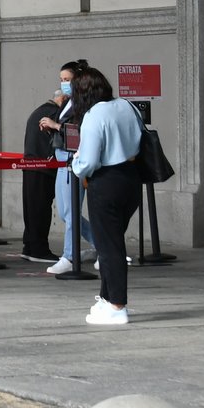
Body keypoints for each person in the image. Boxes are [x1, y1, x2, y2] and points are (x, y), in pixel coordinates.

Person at [69, 67, 145, 326]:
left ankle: (117, 305)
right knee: (111, 243)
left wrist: (75, 165)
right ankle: (106, 297)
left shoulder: (93, 115)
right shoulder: (126, 105)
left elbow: (88, 161)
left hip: (106, 182)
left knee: (109, 247)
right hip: (131, 179)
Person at [40, 59, 94, 275]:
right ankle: (102, 243)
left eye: (67, 80)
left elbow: (78, 132)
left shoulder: (83, 105)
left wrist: (56, 126)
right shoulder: (67, 102)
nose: (63, 84)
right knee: (65, 213)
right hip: (62, 159)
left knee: (71, 212)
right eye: (61, 79)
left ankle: (69, 256)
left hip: (74, 162)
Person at [20, 85, 64, 263]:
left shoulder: (40, 110)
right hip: (42, 167)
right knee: (40, 210)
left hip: (31, 166)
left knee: (32, 210)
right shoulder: (53, 114)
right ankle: (38, 249)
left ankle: (30, 246)